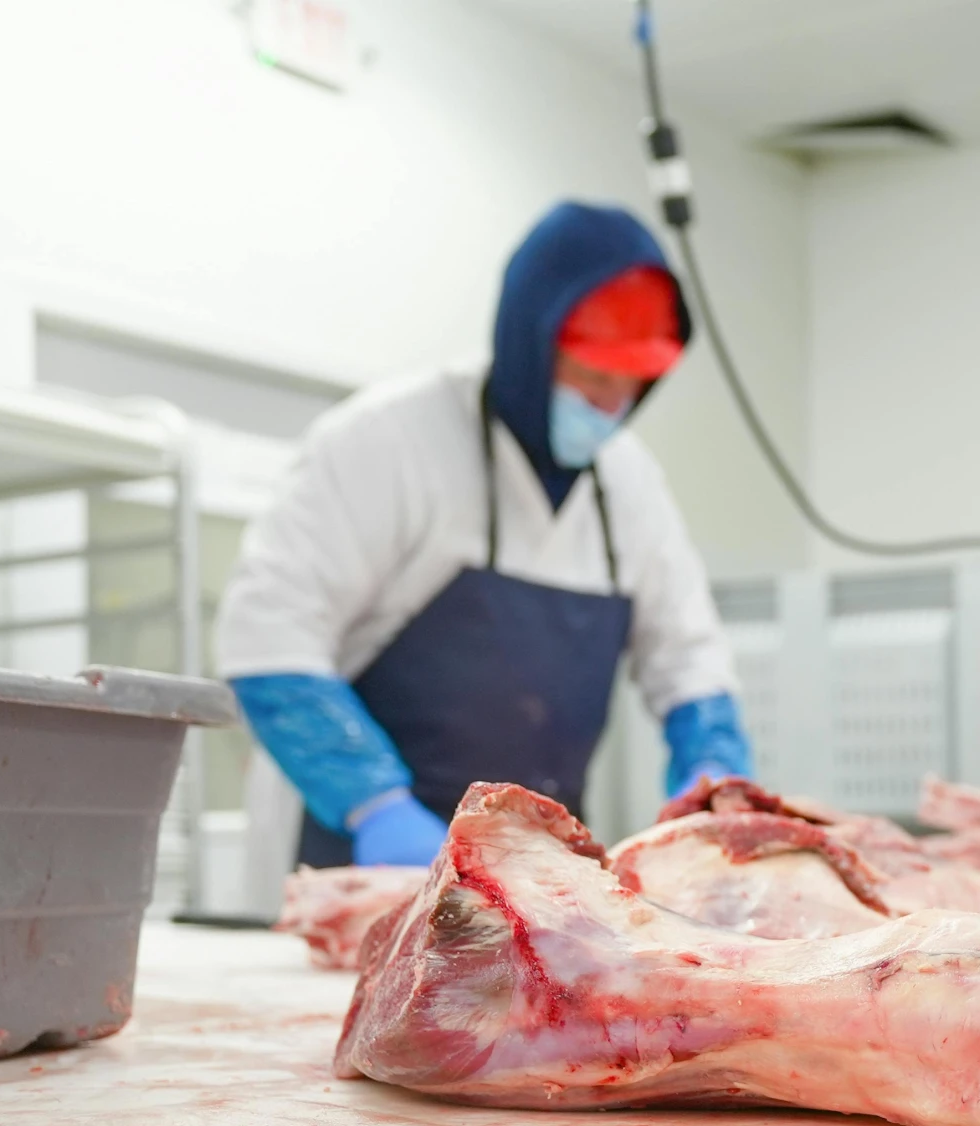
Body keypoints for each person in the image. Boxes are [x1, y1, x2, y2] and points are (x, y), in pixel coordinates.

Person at [217, 200, 750, 870]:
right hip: (359, 863)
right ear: (532, 347)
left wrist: (712, 767)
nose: (611, 405)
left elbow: (689, 658)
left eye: (632, 383)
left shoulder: (631, 483)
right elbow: (268, 641)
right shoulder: (388, 440)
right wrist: (376, 808)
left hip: (535, 878)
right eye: (592, 376)